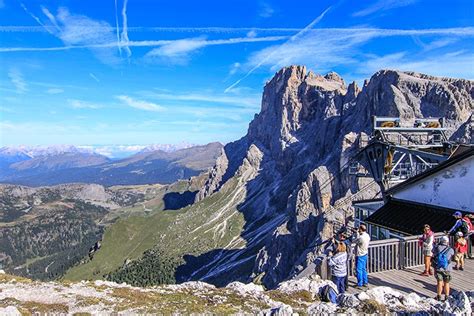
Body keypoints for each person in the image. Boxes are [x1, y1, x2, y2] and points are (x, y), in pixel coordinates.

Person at [432, 235, 455, 301]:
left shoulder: (437, 247)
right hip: (447, 268)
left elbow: (433, 251)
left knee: (439, 282)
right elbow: (452, 255)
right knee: (447, 283)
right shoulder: (450, 249)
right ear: (447, 242)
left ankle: (438, 296)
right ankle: (446, 297)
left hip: (438, 268)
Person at [353, 224, 371, 289]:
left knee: (359, 270)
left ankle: (359, 284)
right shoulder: (367, 235)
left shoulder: (361, 237)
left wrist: (356, 234)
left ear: (360, 229)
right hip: (365, 253)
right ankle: (365, 282)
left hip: (360, 254)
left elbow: (354, 241)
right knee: (363, 269)